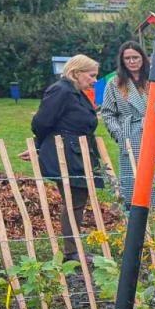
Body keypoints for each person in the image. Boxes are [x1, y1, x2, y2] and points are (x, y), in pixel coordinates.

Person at [30, 54, 102, 259]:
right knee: (73, 201)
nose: (95, 80)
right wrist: (41, 147)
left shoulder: (74, 92)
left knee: (77, 201)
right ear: (76, 73)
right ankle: (71, 252)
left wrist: (39, 146)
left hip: (76, 152)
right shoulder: (60, 90)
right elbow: (42, 123)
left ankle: (74, 249)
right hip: (67, 154)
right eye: (91, 75)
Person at [100, 40, 155, 221]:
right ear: (122, 61)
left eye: (135, 57)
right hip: (130, 137)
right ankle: (136, 228)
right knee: (134, 183)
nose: (132, 61)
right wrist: (119, 134)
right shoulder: (115, 84)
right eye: (127, 58)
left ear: (143, 59)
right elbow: (108, 113)